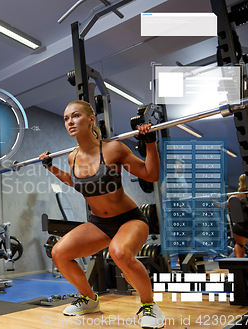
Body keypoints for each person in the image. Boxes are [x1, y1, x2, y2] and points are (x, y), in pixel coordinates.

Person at [39, 100, 164, 328]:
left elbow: (150, 174)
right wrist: (50, 166)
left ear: (91, 119)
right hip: (98, 223)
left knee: (119, 253)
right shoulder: (72, 157)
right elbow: (74, 181)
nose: (70, 122)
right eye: (66, 118)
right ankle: (89, 299)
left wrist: (149, 142)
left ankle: (149, 306)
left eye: (75, 116)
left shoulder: (113, 149)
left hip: (129, 219)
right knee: (59, 253)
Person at [228, 174, 248, 257]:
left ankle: (239, 265)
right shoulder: (235, 196)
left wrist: (214, 199)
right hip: (245, 225)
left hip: (243, 227)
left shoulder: (235, 196)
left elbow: (220, 205)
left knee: (239, 244)